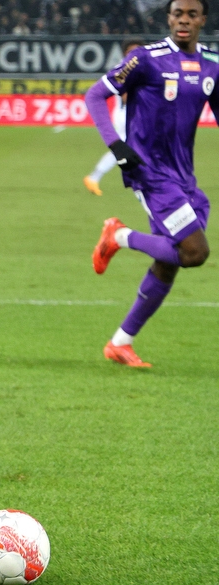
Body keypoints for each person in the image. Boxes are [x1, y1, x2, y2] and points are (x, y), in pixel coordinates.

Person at [86, 0, 215, 367]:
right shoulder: (146, 58)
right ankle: (119, 236)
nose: (184, 20)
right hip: (151, 173)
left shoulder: (212, 65)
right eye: (177, 14)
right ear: (169, 18)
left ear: (203, 20)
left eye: (192, 14)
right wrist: (116, 144)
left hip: (184, 176)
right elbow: (95, 95)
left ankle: (119, 343)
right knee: (195, 252)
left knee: (169, 261)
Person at [83, 38, 144, 196]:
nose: (135, 54)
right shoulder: (126, 69)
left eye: (138, 50)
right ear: (125, 54)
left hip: (131, 113)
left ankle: (95, 177)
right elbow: (125, 96)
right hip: (125, 114)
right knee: (123, 147)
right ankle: (94, 177)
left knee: (131, 147)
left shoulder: (140, 68)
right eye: (131, 51)